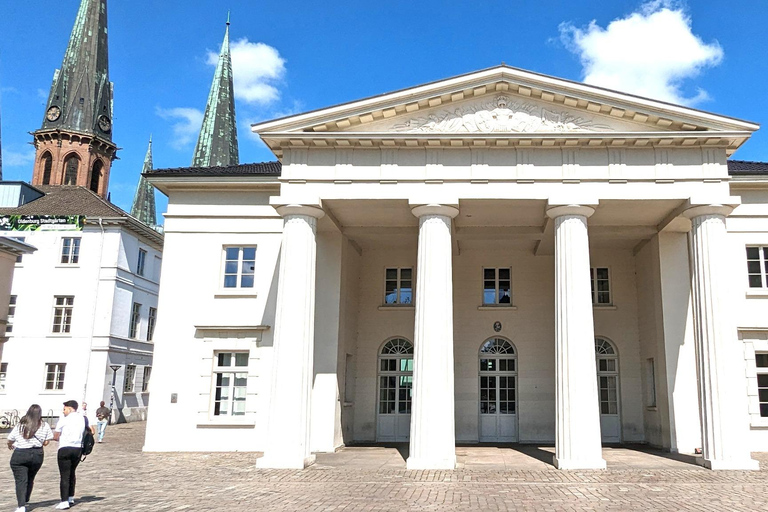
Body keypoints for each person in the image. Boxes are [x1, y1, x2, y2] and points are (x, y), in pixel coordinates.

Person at [6, 404, 53, 512]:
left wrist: (10, 445)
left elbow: (10, 438)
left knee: (21, 480)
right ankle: (26, 498)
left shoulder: (21, 425)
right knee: (30, 478)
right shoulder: (44, 425)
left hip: (21, 454)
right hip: (37, 454)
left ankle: (21, 505)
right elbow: (46, 442)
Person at [53, 400, 86, 510]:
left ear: (70, 409)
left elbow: (56, 435)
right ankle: (71, 497)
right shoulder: (82, 418)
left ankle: (64, 501)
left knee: (65, 475)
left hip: (65, 448)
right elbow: (91, 430)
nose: (63, 411)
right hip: (78, 449)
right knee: (72, 472)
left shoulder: (64, 419)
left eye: (64, 409)